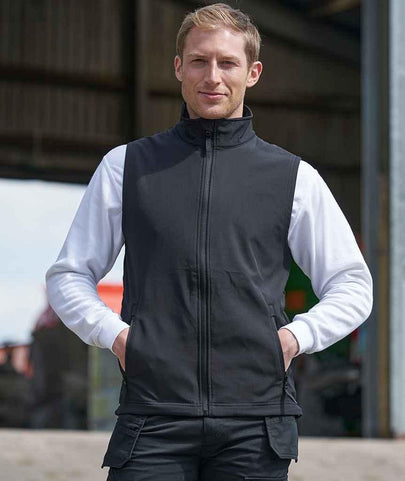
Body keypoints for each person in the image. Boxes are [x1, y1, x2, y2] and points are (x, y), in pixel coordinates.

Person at [46, 3, 373, 480]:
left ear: (253, 73)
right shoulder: (127, 167)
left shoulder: (293, 178)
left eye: (228, 63)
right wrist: (117, 336)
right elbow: (69, 275)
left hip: (255, 422)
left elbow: (353, 285)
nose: (212, 76)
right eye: (199, 61)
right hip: (154, 415)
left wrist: (292, 339)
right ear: (179, 67)